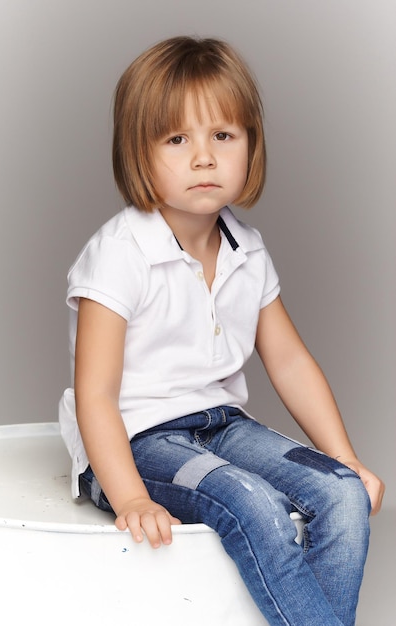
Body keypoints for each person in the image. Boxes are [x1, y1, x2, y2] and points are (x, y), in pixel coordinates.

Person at [59, 36, 384, 625]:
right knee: (255, 507)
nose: (203, 158)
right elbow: (96, 394)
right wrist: (130, 494)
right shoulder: (120, 253)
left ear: (250, 148)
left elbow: (289, 361)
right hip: (135, 443)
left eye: (223, 136)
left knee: (342, 494)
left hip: (220, 427)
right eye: (177, 139)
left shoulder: (247, 250)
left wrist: (347, 459)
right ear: (140, 152)